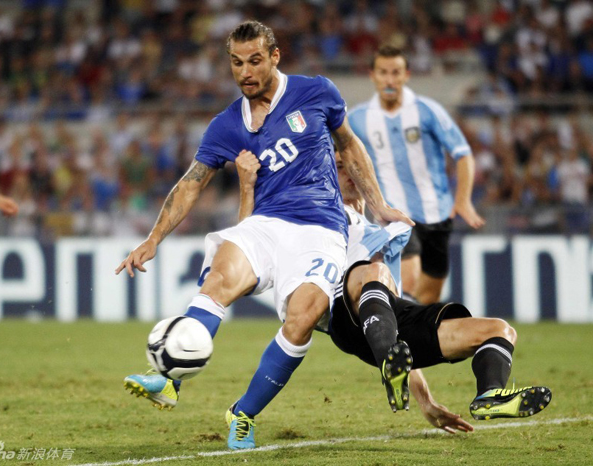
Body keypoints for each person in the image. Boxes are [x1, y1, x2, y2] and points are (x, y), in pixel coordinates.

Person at [118, 21, 411, 451]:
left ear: (275, 57)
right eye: (237, 63)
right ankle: (169, 381)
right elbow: (191, 183)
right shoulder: (224, 125)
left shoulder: (316, 92)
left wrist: (380, 205)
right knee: (219, 279)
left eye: (255, 60)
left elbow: (348, 146)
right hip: (265, 224)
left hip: (320, 229)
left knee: (304, 315)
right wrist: (153, 238)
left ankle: (243, 414)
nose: (245, 72)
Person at [240, 147, 552, 426]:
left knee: (499, 330)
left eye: (353, 165)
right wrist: (247, 186)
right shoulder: (316, 212)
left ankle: (490, 395)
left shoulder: (383, 231)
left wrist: (426, 402)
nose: (348, 172)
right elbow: (251, 240)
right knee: (373, 273)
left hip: (385, 320)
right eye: (339, 166)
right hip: (343, 314)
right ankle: (387, 354)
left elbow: (399, 345)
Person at [348, 45, 485, 304]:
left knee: (430, 295)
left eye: (396, 72)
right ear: (372, 75)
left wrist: (463, 199)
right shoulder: (356, 119)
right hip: (394, 216)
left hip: (437, 214)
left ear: (406, 75)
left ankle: (412, 340)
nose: (390, 79)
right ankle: (392, 338)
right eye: (383, 72)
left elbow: (463, 153)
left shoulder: (427, 110)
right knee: (407, 281)